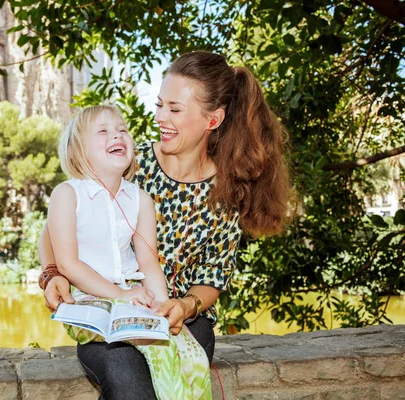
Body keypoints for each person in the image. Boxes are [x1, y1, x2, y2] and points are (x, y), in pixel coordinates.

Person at [39, 51, 292, 399]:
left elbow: (213, 278)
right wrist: (52, 273)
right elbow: (53, 231)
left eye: (174, 109)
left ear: (212, 120)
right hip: (114, 313)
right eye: (160, 104)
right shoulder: (128, 161)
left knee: (179, 379)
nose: (160, 117)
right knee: (130, 384)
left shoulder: (226, 193)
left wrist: (184, 307)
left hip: (185, 318)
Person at [48, 104, 212, 399]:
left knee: (188, 352)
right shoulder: (67, 194)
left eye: (122, 130)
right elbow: (69, 264)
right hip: (92, 304)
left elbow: (148, 263)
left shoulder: (140, 199)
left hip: (132, 302)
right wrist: (120, 294)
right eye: (103, 131)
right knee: (131, 362)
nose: (117, 135)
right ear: (78, 151)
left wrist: (163, 307)